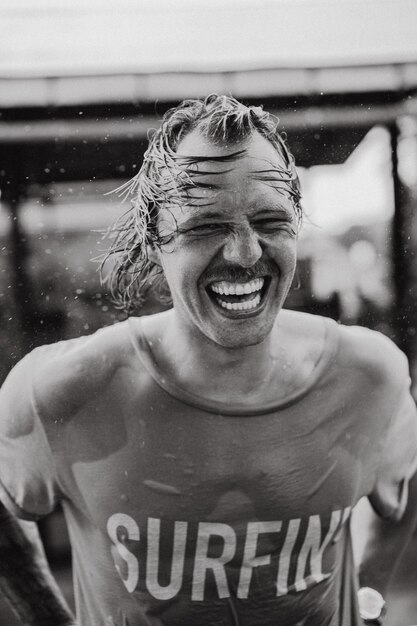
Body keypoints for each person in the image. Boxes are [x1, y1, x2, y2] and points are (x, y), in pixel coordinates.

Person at [1, 94, 417, 626]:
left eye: (270, 220)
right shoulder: (63, 392)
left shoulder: (369, 376)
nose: (245, 253)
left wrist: (367, 604)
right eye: (204, 227)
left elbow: (395, 497)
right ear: (154, 239)